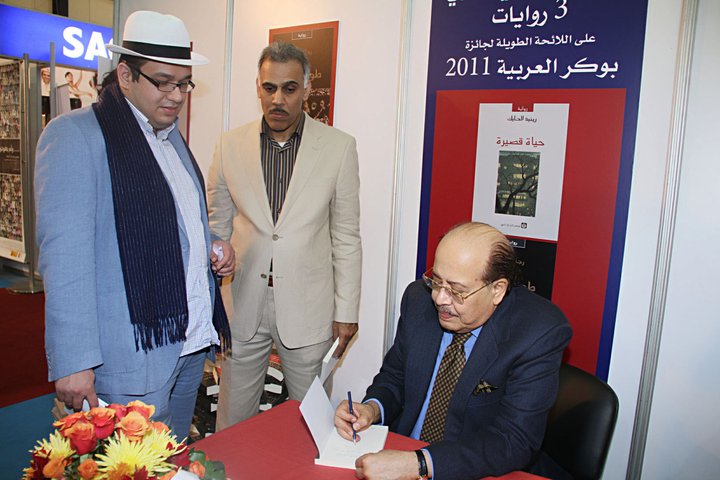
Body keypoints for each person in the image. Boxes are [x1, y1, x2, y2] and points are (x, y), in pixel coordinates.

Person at [35, 10, 233, 439]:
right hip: (128, 354)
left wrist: (213, 244)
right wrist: (73, 361)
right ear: (125, 75)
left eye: (184, 83)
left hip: (188, 342)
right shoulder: (75, 136)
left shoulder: (171, 138)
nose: (177, 96)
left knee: (174, 458)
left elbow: (177, 225)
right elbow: (64, 259)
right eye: (163, 82)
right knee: (128, 464)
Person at [334, 222, 572, 480]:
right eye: (436, 281)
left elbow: (513, 440)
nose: (440, 299)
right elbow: (395, 377)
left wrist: (420, 463)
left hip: (473, 469)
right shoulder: (418, 300)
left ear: (497, 290)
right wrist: (372, 409)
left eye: (457, 291)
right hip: (401, 451)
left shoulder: (537, 331)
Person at [207, 41, 362, 429]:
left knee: (312, 423)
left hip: (310, 307)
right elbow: (215, 226)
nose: (278, 99)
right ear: (258, 87)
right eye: (269, 88)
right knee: (232, 421)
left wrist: (346, 312)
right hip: (242, 300)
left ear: (306, 89)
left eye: (289, 89)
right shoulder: (230, 145)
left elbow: (346, 236)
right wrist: (209, 299)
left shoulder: (339, 148)